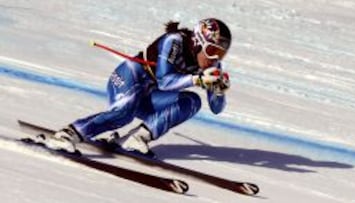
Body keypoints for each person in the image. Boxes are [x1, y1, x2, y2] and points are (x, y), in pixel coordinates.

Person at [49, 18, 232, 156]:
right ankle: (69, 133)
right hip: (127, 80)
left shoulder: (212, 65)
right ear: (197, 42)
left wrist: (219, 90)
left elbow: (216, 108)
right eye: (212, 50)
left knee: (191, 102)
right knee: (124, 114)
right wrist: (198, 79)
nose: (215, 58)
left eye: (221, 54)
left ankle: (136, 138)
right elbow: (165, 81)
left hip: (149, 95)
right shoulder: (174, 41)